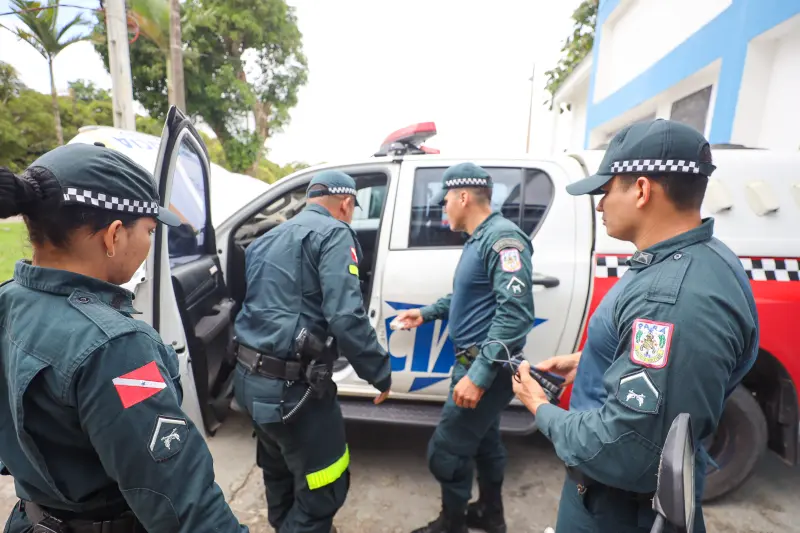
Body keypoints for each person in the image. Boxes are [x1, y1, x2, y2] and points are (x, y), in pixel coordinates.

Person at [510, 119, 759, 533]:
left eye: (606, 190)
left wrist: (540, 407)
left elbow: (626, 448)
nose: (599, 205)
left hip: (616, 509)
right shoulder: (700, 257)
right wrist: (593, 360)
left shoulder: (669, 297)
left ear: (642, 190)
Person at [0, 144, 248, 533]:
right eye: (149, 231)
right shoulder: (117, 348)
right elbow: (184, 506)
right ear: (114, 235)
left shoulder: (9, 299)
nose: (149, 244)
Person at [232, 170, 393, 533]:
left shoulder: (265, 238)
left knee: (278, 473)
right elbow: (346, 317)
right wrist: (379, 373)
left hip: (248, 382)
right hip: (293, 394)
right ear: (346, 203)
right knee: (325, 487)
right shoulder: (335, 233)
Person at [395, 162, 536, 533]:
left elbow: (515, 314)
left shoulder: (503, 239)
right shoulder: (479, 239)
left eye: (445, 200)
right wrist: (426, 313)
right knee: (485, 443)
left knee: (446, 453)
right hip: (479, 365)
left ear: (462, 197)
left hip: (484, 368)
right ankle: (491, 514)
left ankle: (451, 525)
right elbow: (466, 297)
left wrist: (478, 375)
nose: (443, 207)